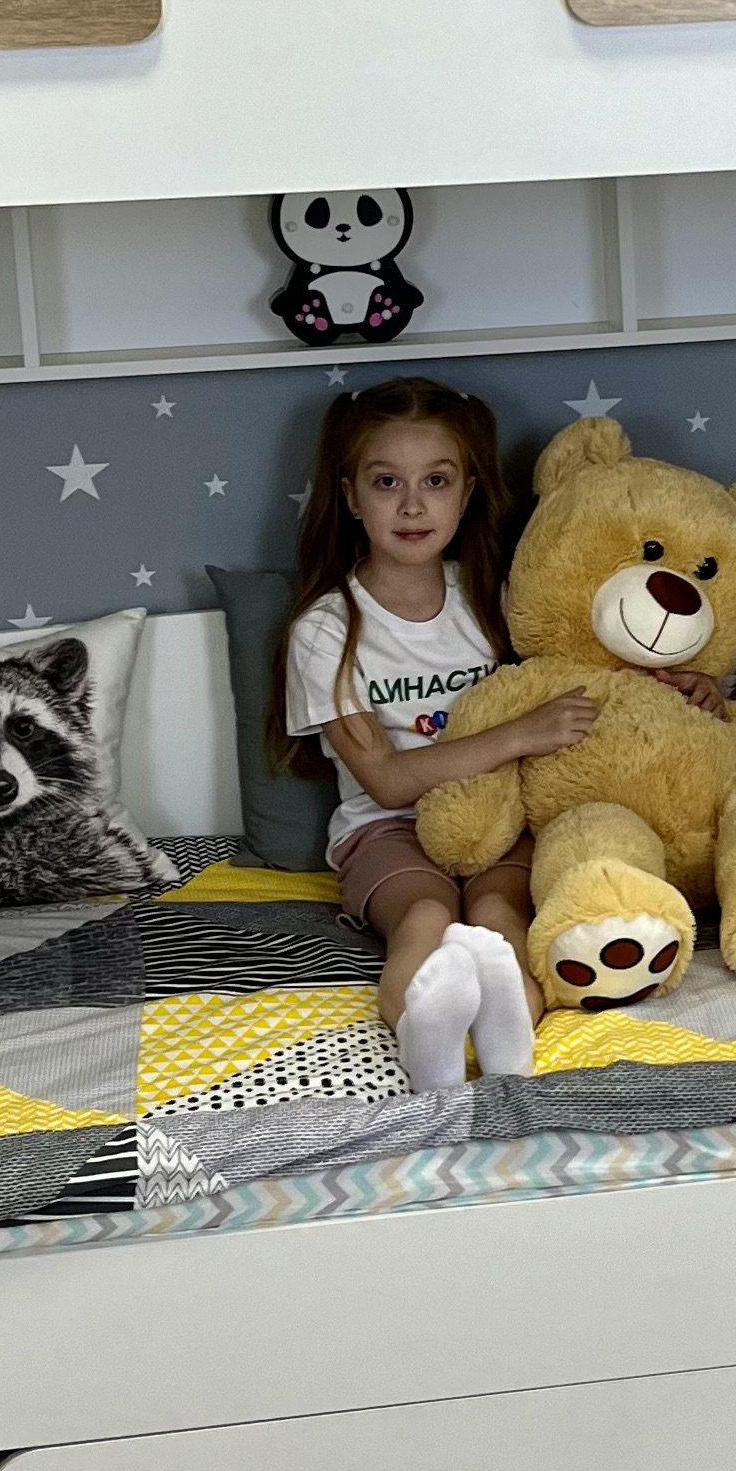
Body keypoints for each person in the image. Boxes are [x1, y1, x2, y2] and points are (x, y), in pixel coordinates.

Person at [274, 382, 619, 1088]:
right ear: (349, 495)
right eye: (386, 482)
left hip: (501, 818)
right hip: (386, 829)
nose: (411, 505)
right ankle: (427, 1048)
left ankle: (508, 1053)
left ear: (467, 494)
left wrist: (684, 685)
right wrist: (518, 735)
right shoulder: (327, 628)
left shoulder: (495, 599)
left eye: (435, 481)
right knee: (426, 915)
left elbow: (592, 668)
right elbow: (386, 780)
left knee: (498, 915)